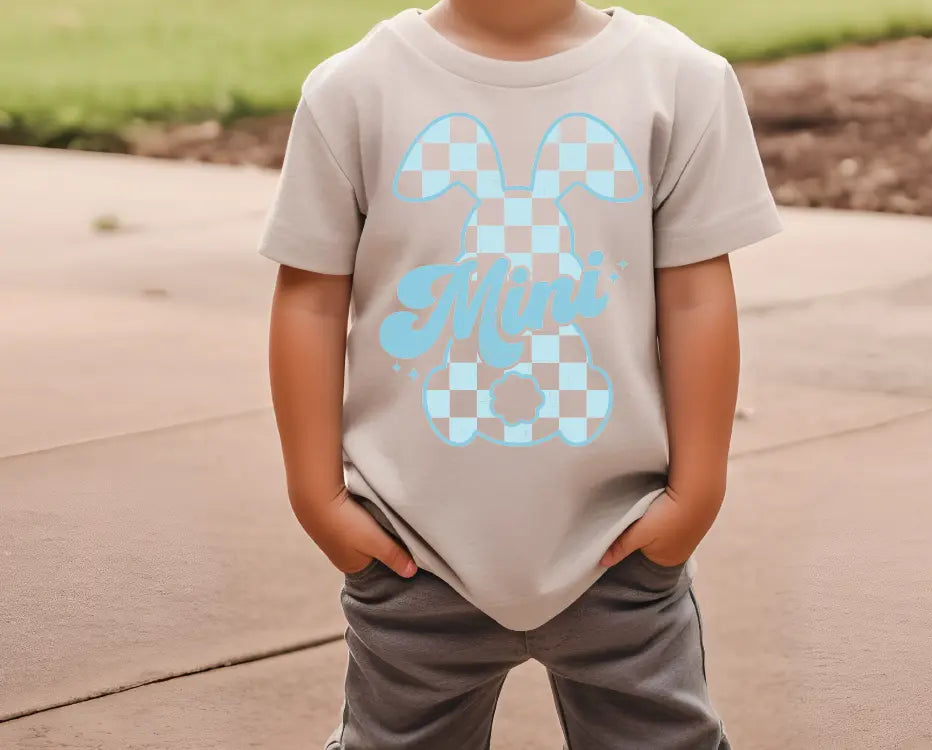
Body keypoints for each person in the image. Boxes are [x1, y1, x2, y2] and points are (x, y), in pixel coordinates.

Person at [259, 1, 782, 747]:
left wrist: (697, 493)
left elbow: (699, 298)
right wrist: (318, 496)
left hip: (621, 544)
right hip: (411, 548)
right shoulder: (355, 90)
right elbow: (310, 298)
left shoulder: (678, 83)